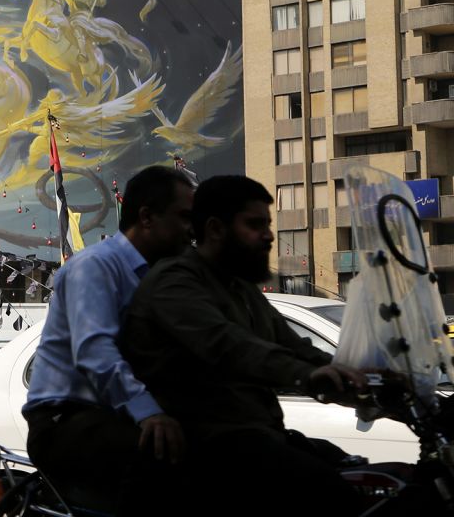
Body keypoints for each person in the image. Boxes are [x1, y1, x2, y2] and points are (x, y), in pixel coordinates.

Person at [121, 175, 368, 517]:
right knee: (329, 495)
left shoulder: (241, 286)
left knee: (364, 476)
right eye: (254, 225)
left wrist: (359, 375)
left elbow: (293, 345)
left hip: (256, 434)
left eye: (267, 224)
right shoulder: (175, 281)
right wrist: (308, 376)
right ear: (215, 229)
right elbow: (230, 346)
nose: (268, 235)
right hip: (207, 447)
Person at [22, 165, 195, 514]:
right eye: (182, 217)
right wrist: (149, 414)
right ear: (146, 217)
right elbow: (95, 351)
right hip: (66, 421)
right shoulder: (96, 267)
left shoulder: (164, 277)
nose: (190, 229)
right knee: (168, 465)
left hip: (114, 415)